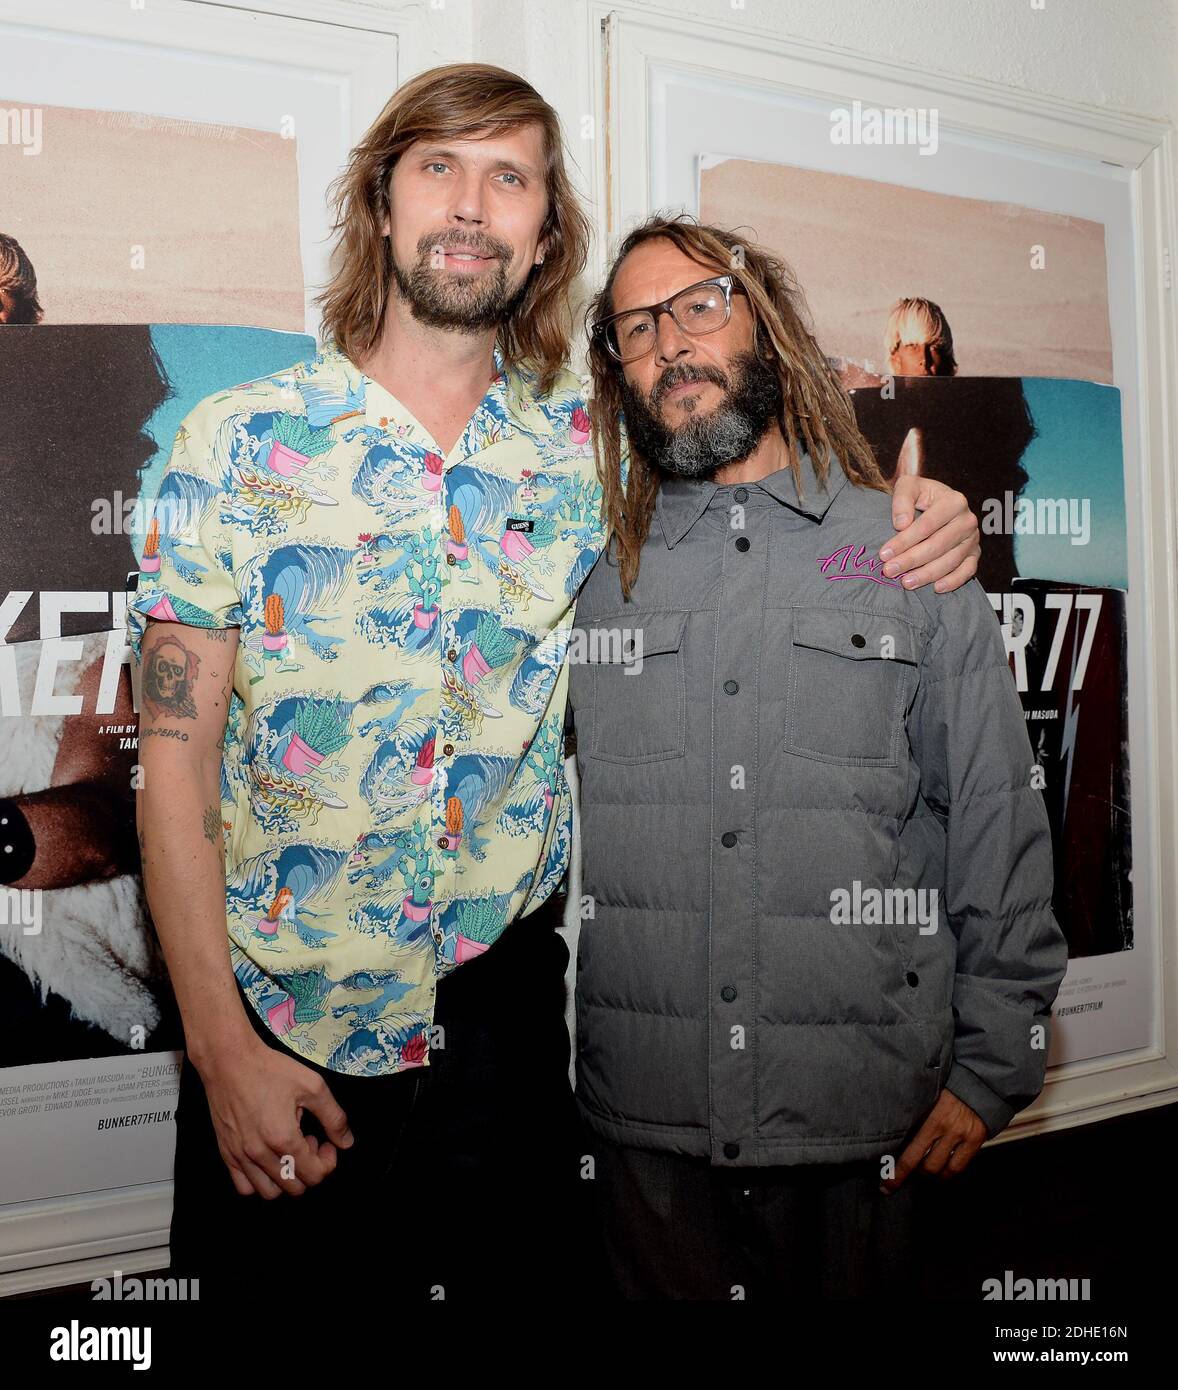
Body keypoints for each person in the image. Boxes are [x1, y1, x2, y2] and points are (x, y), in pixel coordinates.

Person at [124, 65, 981, 1302]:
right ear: (379, 204)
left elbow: (765, 483)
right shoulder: (233, 442)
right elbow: (173, 755)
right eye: (439, 167)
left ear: (539, 240)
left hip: (507, 1051)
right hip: (276, 1033)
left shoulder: (593, 447)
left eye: (508, 176)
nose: (470, 204)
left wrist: (922, 520)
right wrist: (215, 1045)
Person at [566, 214, 1068, 1300]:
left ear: (770, 325)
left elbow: (996, 822)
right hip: (648, 1156)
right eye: (634, 327)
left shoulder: (902, 551)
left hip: (869, 1135)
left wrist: (992, 1069)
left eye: (700, 304)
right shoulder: (584, 572)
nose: (667, 343)